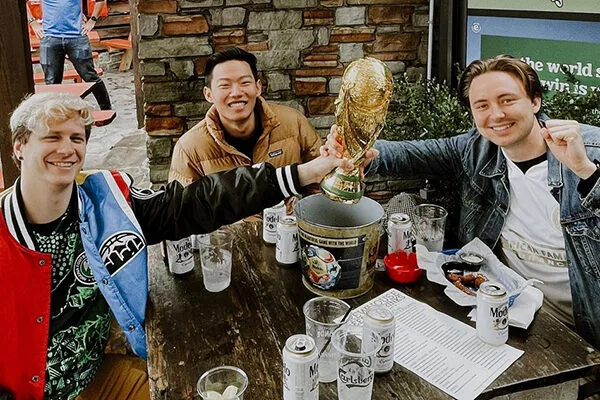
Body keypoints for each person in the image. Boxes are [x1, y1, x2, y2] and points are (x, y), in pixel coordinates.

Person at [0, 92, 348, 400]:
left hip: (98, 379)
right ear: (20, 146)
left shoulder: (108, 204)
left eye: (76, 137)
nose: (67, 148)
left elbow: (201, 201)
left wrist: (308, 172)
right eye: (52, 137)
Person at [325, 55, 600, 348]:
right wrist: (354, 151)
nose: (496, 115)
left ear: (535, 101)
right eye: (482, 105)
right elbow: (410, 155)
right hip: (513, 311)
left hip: (587, 325)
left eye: (507, 100)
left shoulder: (588, 147)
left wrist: (585, 171)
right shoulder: (477, 148)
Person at [168, 47, 322, 187]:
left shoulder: (293, 122)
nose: (236, 93)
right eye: (225, 85)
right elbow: (181, 210)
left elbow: (323, 177)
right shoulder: (189, 148)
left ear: (258, 87)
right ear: (208, 94)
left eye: (244, 82)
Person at [26, 0, 112, 110]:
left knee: (89, 75)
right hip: (50, 37)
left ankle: (106, 109)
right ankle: (55, 112)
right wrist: (32, 22)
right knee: (52, 80)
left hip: (76, 36)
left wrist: (92, 20)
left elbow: (100, 1)